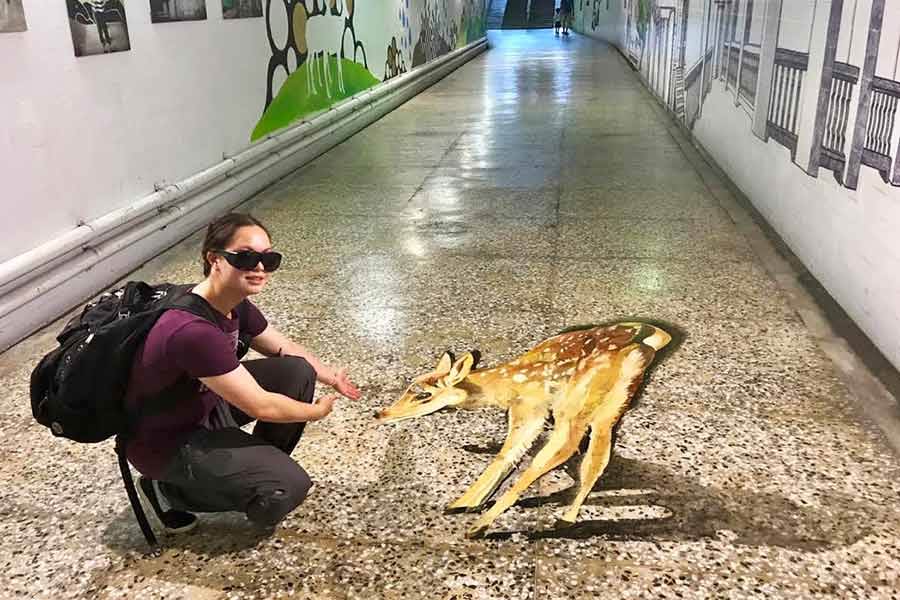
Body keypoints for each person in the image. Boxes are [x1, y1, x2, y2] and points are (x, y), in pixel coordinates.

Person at [125, 212, 361, 534]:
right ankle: (169, 491)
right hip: (166, 441)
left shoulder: (232, 303)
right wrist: (316, 412)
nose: (260, 268)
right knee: (287, 488)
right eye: (246, 257)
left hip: (199, 407)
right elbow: (260, 406)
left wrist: (330, 376)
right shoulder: (191, 330)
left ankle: (250, 470)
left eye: (269, 259)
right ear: (214, 259)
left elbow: (284, 347)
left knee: (297, 371)